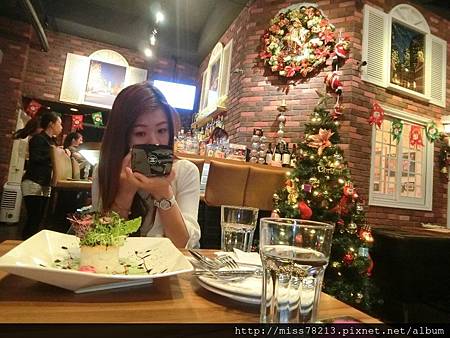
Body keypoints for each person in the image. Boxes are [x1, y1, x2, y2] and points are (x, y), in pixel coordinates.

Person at [92, 82, 201, 248]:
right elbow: (103, 244)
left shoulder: (185, 171)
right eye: (140, 133)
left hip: (170, 270)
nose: (154, 142)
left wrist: (163, 193)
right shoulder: (104, 171)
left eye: (162, 130)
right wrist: (125, 193)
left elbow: (183, 244)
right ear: (123, 137)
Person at [20, 111, 63, 239]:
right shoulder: (39, 138)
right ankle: (23, 248)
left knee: (38, 220)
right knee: (33, 219)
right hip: (33, 182)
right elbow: (36, 158)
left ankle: (30, 249)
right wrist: (54, 154)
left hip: (44, 184)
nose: (61, 127)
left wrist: (58, 153)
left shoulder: (52, 142)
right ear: (51, 124)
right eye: (59, 123)